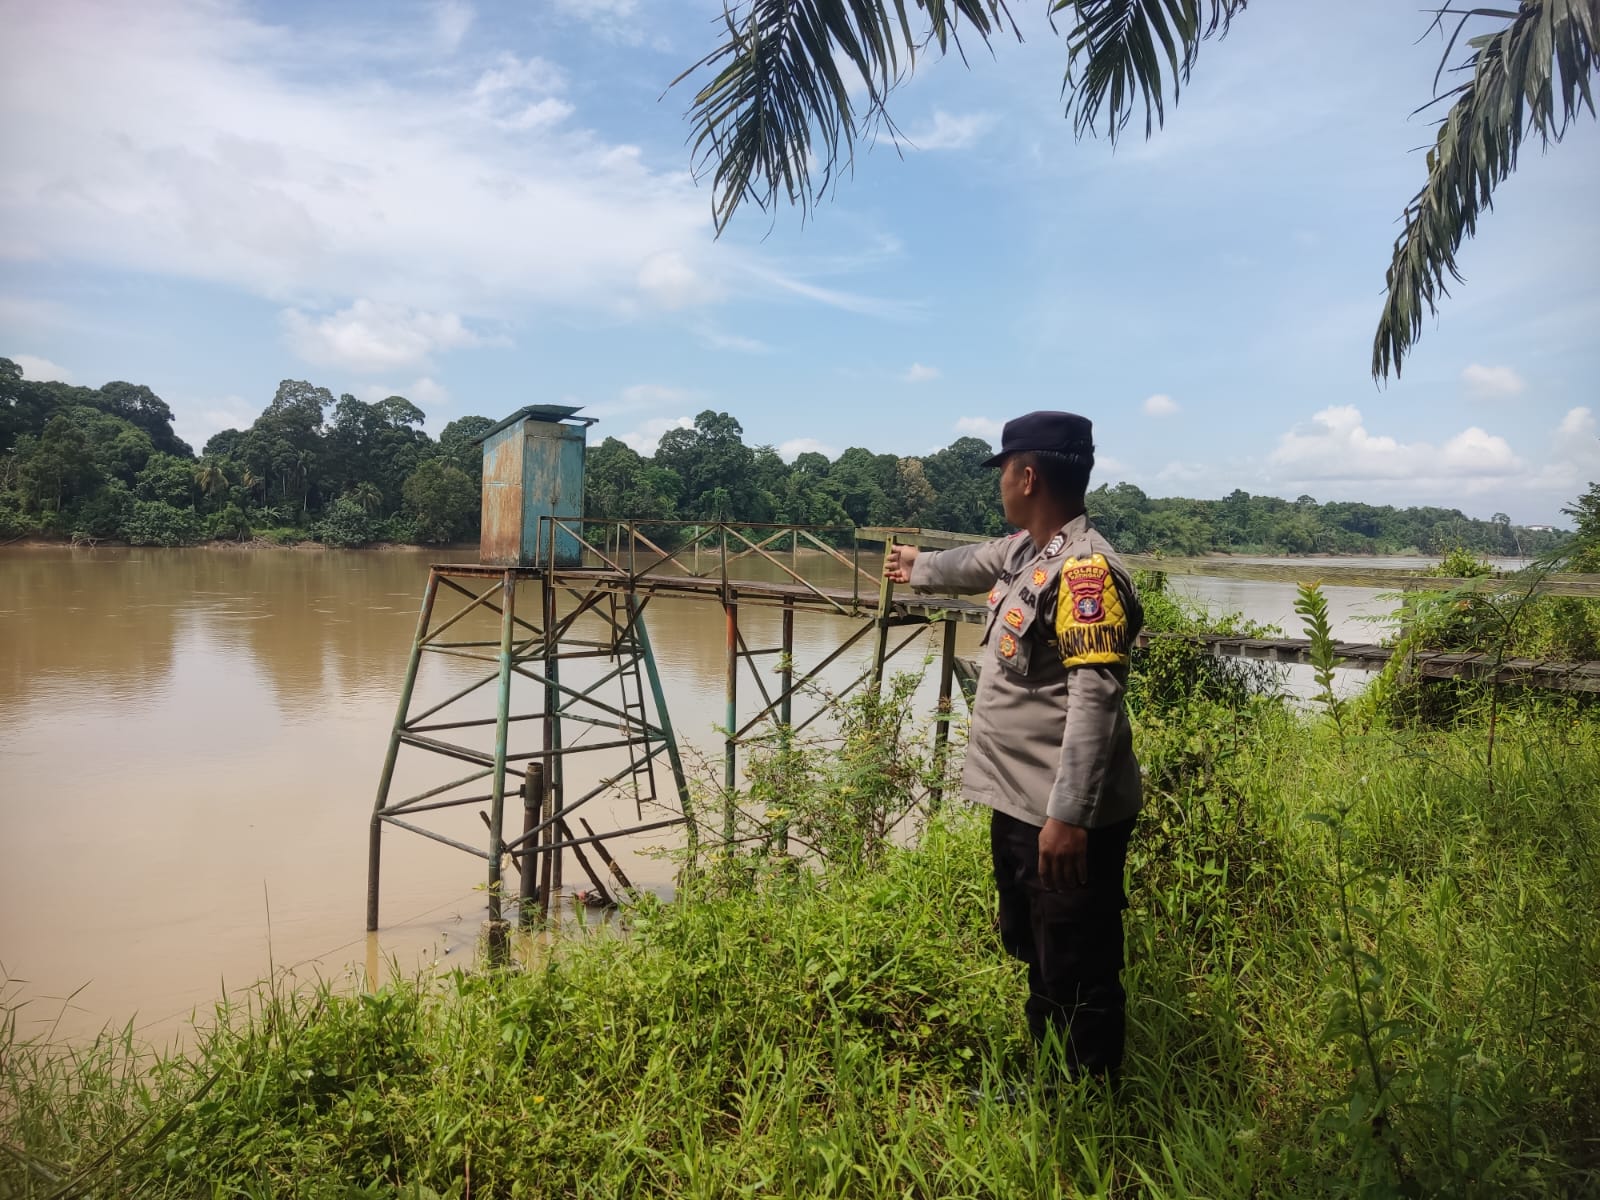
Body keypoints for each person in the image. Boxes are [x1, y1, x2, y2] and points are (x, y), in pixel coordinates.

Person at [885, 411, 1142, 1085]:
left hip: (1060, 816)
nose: (999, 482)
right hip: (1024, 807)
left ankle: (1092, 1115)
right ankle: (1049, 1081)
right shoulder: (1034, 551)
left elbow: (1095, 700)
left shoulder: (1086, 574)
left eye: (1003, 469)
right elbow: (971, 562)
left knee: (1079, 966)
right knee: (1041, 952)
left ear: (1027, 476)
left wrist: (1070, 817)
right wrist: (916, 567)